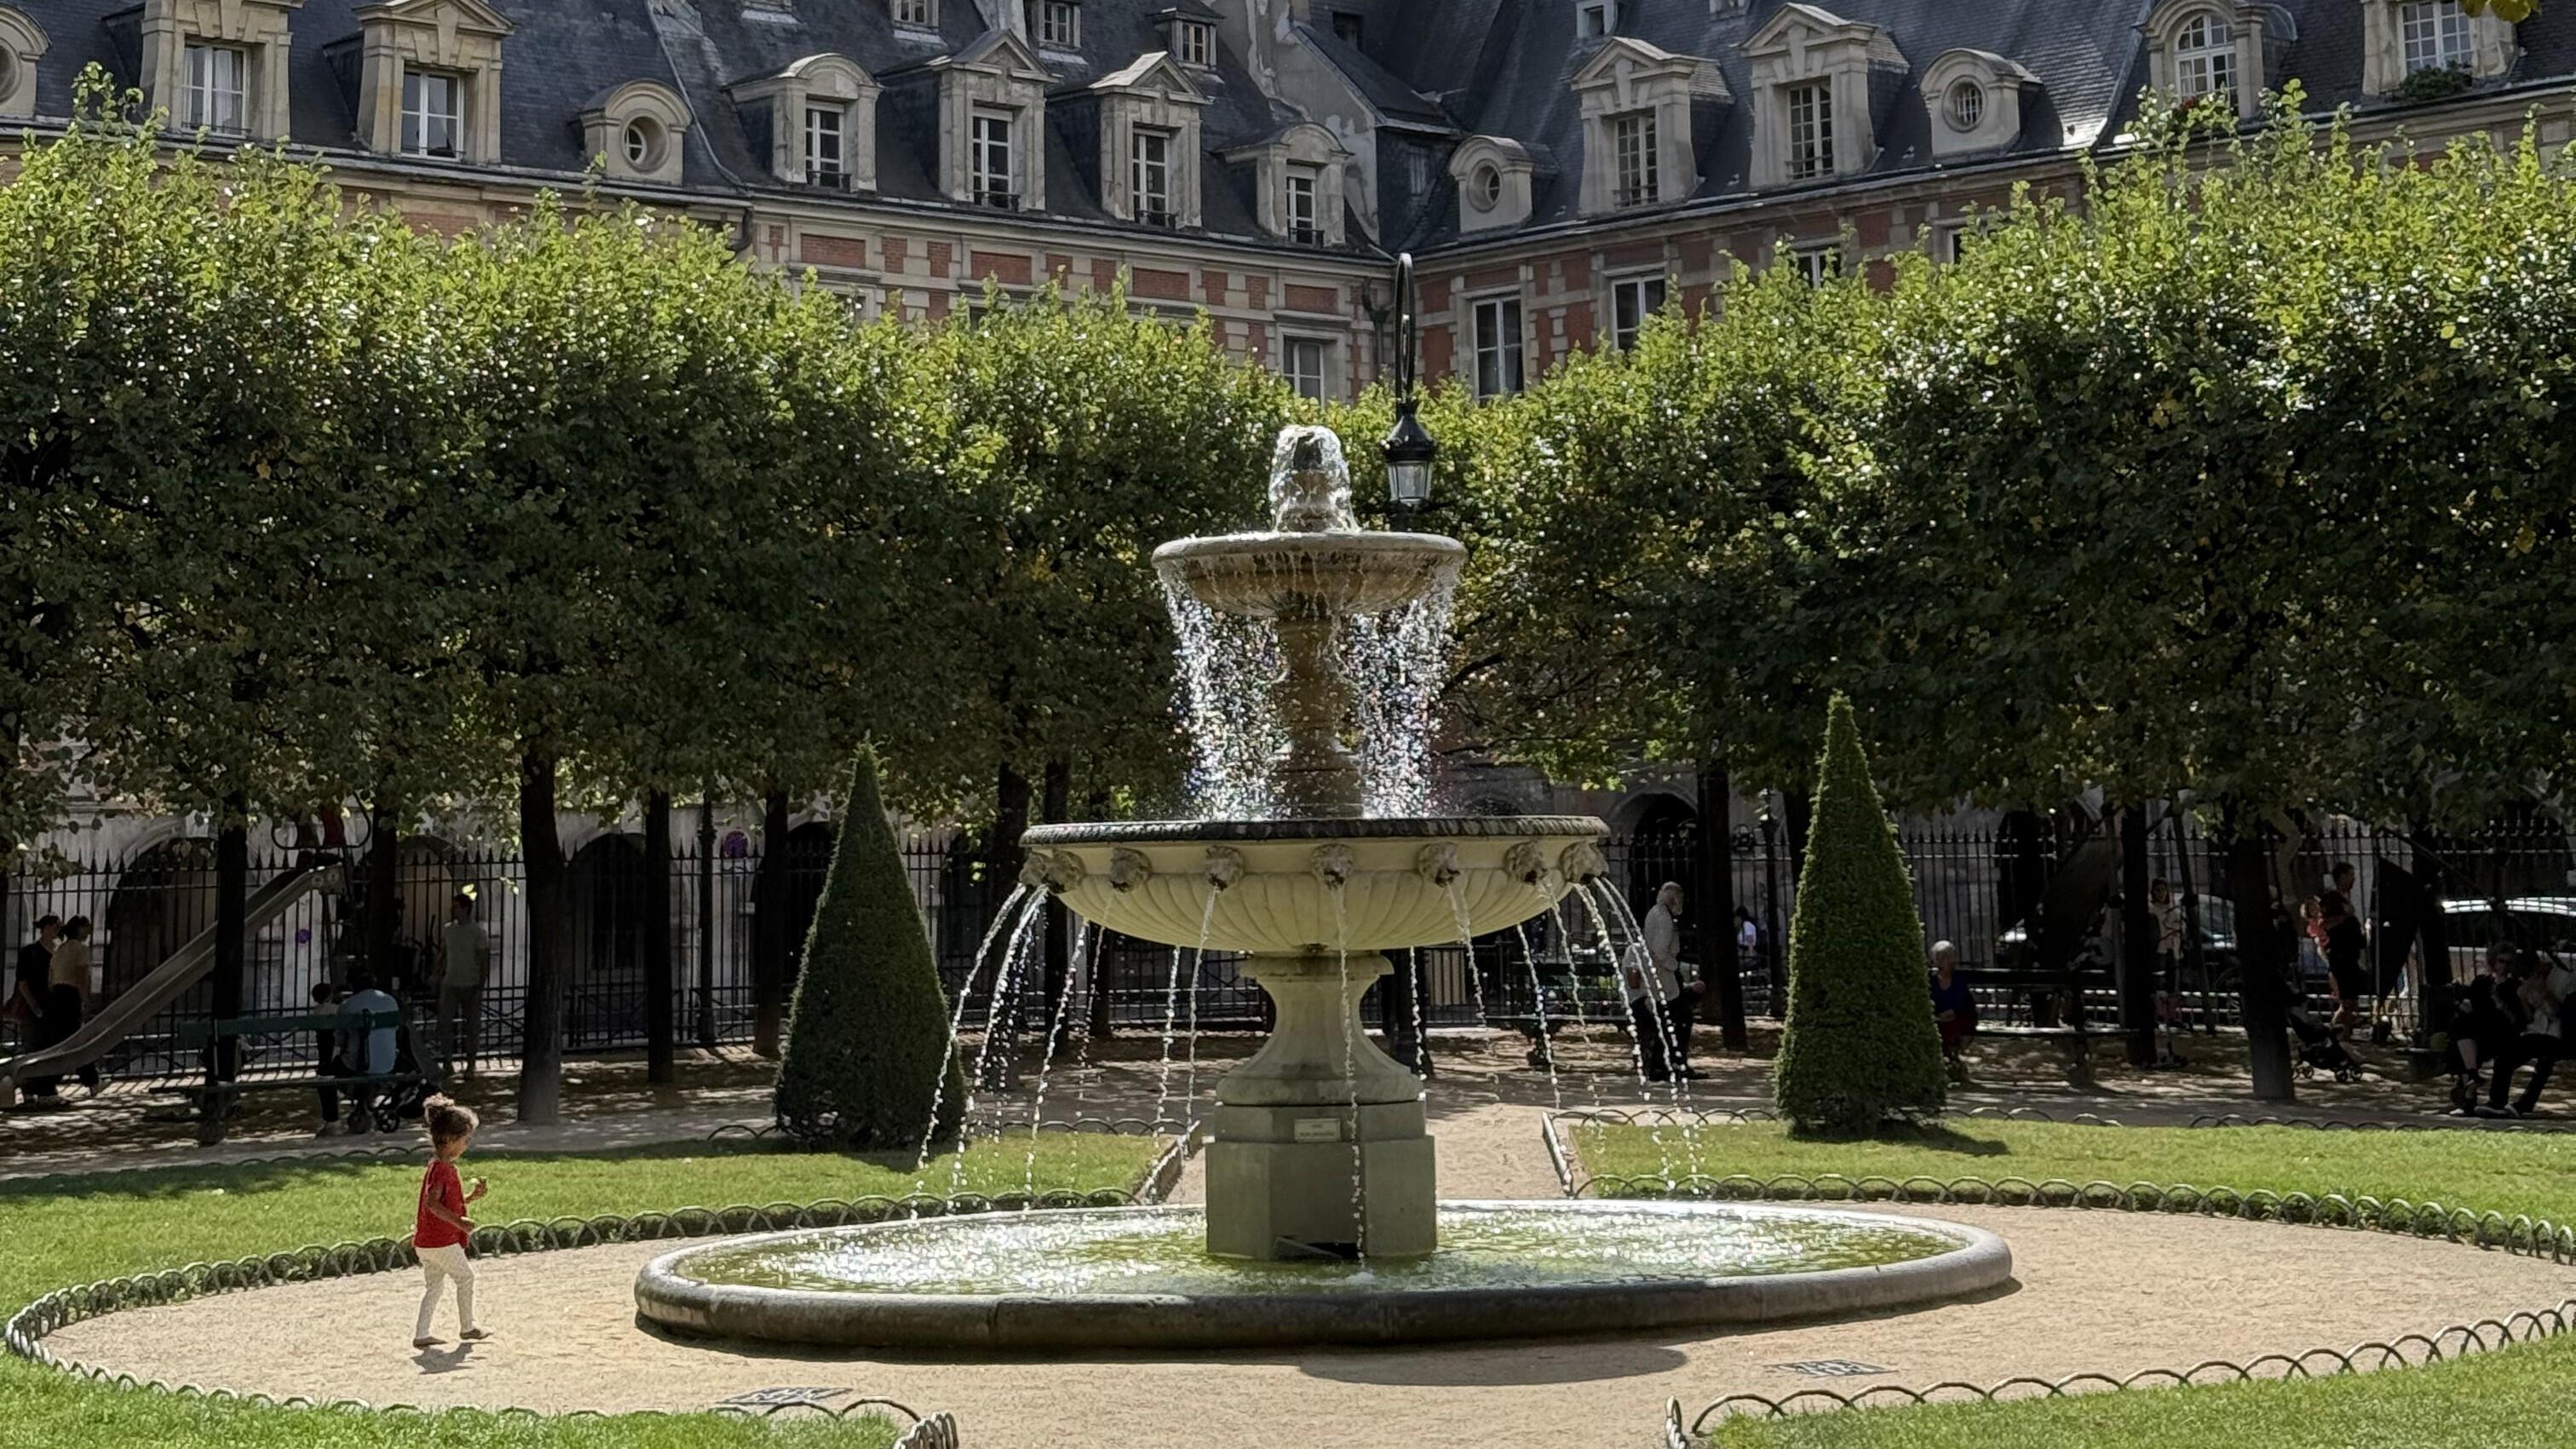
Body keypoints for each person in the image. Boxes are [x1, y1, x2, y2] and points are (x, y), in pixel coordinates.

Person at [412, 1094, 491, 1349]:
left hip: (426, 1242)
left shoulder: (436, 1166)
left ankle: (422, 1333)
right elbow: (432, 1204)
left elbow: (444, 1203)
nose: (466, 1146)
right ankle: (468, 1327)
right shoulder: (444, 1169)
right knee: (465, 1278)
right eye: (465, 1140)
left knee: (433, 1286)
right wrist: (459, 1222)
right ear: (450, 1139)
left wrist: (470, 1198)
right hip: (441, 1241)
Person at [2487, 952, 2573, 1118]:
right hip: (2537, 1030)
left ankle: (2526, 1103)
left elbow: (2558, 1013)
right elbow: (2529, 1017)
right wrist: (2523, 999)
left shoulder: (2564, 980)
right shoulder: (2527, 982)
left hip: (2559, 1033)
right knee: (2506, 1056)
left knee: (2546, 1059)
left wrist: (2544, 992)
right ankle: (2497, 1102)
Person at [337, 968, 402, 1134]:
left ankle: (332, 1119)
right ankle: (369, 1101)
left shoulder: (348, 1005)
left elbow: (340, 1039)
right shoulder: (390, 1001)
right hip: (388, 1063)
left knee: (328, 1071)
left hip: (357, 1064)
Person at [437, 892, 490, 1078]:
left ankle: (470, 1065)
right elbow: (443, 954)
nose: (452, 910)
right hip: (450, 982)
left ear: (465, 908)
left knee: (472, 1027)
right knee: (445, 1025)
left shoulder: (477, 933)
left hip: (471, 984)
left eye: (456, 906)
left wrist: (480, 984)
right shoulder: (449, 930)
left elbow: (484, 960)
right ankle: (448, 1063)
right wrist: (437, 973)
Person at [10, 915, 60, 1103]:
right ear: (45, 928)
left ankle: (45, 1089)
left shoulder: (58, 951)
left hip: (52, 1007)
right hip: (33, 1008)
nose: (57, 930)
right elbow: (23, 982)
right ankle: (30, 1089)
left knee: (49, 1048)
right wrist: (33, 1005)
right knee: (32, 1048)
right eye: (55, 926)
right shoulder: (29, 952)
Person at [2320, 865, 2368, 1030]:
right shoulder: (2331, 899)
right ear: (2341, 877)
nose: (2354, 879)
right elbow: (2326, 924)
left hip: (2350, 954)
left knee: (2351, 1001)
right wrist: (2345, 916)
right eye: (2350, 875)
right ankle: (2337, 1032)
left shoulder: (2343, 897)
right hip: (2341, 956)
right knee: (2347, 1001)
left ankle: (2344, 1032)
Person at [1928, 940, 1975, 1083]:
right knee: (1937, 1028)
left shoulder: (1959, 979)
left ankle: (1951, 1063)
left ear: (1952, 959)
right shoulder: (1931, 980)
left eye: (1945, 957)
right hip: (1939, 1018)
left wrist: (1952, 1012)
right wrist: (1937, 1015)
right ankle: (1950, 1064)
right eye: (1938, 957)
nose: (1941, 961)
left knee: (1951, 1027)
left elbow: (1964, 1004)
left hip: (1960, 1017)